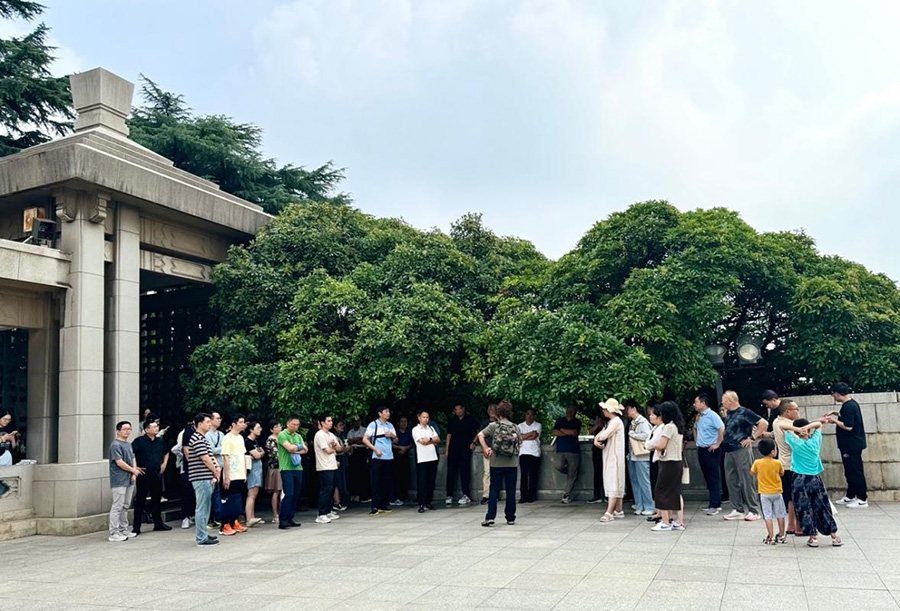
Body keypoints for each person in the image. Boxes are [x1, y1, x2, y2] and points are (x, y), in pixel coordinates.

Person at [783, 418, 842, 548]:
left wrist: (798, 430)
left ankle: (812, 537)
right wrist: (807, 427)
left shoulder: (795, 443)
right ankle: (834, 536)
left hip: (799, 479)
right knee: (822, 506)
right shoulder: (815, 442)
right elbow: (819, 424)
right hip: (815, 479)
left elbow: (782, 427)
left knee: (804, 508)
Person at [721, 390, 767, 521]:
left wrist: (752, 438)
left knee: (746, 478)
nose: (722, 403)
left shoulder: (744, 412)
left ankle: (753, 509)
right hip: (729, 449)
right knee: (731, 479)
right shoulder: (729, 414)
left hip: (741, 448)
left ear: (730, 401)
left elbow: (763, 423)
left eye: (724, 400)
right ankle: (737, 508)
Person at [479, 400, 522, 527]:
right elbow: (519, 443)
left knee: (493, 489)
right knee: (511, 491)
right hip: (512, 463)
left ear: (499, 412)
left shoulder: (494, 426)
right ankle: (510, 517)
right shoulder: (515, 427)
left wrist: (486, 448)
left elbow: (480, 435)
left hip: (496, 463)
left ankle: (490, 517)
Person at [826, 382, 868, 508]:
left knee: (855, 471)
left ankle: (862, 498)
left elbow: (848, 426)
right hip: (849, 444)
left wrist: (834, 421)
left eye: (833, 394)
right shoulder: (850, 404)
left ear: (837, 393)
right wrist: (835, 413)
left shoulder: (849, 406)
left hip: (851, 445)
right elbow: (847, 418)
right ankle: (851, 495)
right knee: (849, 471)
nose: (833, 397)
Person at [131, 419, 171, 535]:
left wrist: (164, 463)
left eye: (157, 426)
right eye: (153, 427)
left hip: (156, 473)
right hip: (144, 474)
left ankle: (158, 523)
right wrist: (135, 467)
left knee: (156, 499)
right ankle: (136, 526)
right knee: (140, 500)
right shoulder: (139, 441)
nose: (156, 428)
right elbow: (131, 453)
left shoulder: (160, 441)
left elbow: (166, 452)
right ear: (146, 429)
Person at [651, 401, 685, 532]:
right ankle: (677, 522)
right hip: (677, 462)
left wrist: (651, 445)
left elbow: (661, 445)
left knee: (661, 491)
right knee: (674, 492)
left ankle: (665, 522)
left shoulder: (668, 427)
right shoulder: (678, 426)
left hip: (668, 462)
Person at [187, 413, 220, 547]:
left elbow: (210, 456)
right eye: (207, 422)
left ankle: (203, 533)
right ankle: (201, 537)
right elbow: (205, 458)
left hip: (205, 476)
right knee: (202, 508)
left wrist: (216, 469)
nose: (210, 424)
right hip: (201, 477)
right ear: (199, 424)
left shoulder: (202, 438)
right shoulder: (197, 438)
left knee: (205, 507)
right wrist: (215, 470)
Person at [108, 421, 140, 542]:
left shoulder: (128, 444)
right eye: (125, 429)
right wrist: (133, 470)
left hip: (130, 479)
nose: (127, 431)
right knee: (117, 506)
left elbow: (133, 458)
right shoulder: (115, 445)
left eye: (129, 429)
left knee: (125, 506)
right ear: (118, 431)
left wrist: (134, 472)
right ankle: (113, 532)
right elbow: (119, 462)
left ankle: (123, 529)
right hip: (119, 479)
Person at [594, 399, 626, 522]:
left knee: (614, 482)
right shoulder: (612, 422)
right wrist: (596, 439)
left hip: (614, 457)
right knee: (616, 482)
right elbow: (601, 434)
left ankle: (609, 511)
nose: (603, 411)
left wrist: (597, 439)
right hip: (612, 456)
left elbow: (603, 435)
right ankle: (619, 510)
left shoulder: (615, 422)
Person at [692, 393, 724, 516]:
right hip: (702, 448)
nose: (694, 405)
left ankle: (714, 505)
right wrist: (697, 441)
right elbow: (695, 429)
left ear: (703, 403)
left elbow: (721, 428)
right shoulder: (699, 416)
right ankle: (714, 502)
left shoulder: (712, 415)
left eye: (696, 402)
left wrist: (717, 443)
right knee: (707, 476)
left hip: (711, 449)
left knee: (713, 476)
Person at [772, 399, 801, 535]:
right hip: (794, 464)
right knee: (797, 495)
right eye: (796, 409)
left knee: (789, 496)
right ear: (788, 412)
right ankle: (799, 526)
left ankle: (791, 524)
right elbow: (797, 444)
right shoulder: (788, 426)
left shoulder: (776, 422)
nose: (798, 412)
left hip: (784, 464)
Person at [751, 439, 787, 545]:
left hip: (764, 493)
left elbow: (751, 472)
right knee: (780, 514)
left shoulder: (757, 462)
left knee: (768, 515)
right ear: (772, 451)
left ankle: (770, 536)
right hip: (777, 491)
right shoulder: (777, 463)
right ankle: (781, 535)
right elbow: (782, 473)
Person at [363, 406, 397, 516]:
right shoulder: (374, 424)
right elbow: (365, 439)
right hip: (377, 457)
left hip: (389, 457)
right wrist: (375, 449)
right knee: (376, 482)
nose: (388, 413)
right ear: (380, 413)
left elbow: (396, 440)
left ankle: (384, 504)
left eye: (388, 411)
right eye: (386, 411)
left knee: (386, 481)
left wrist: (392, 435)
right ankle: (375, 506)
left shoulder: (390, 425)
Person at [624, 400, 654, 516]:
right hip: (633, 455)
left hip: (642, 456)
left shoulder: (642, 422)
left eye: (628, 409)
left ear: (634, 409)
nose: (626, 411)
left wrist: (633, 435)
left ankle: (649, 506)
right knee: (635, 481)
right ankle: (639, 505)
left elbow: (647, 435)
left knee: (644, 481)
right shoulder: (633, 422)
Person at [220, 415, 249, 535]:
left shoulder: (240, 438)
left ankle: (234, 521)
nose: (243, 424)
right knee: (229, 499)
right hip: (231, 473)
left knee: (237, 498)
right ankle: (225, 524)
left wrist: (245, 472)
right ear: (233, 424)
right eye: (240, 422)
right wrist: (226, 476)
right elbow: (226, 458)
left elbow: (243, 455)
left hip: (240, 473)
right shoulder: (227, 438)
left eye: (243, 422)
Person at [445, 404, 479, 506]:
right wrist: (447, 450)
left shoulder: (471, 419)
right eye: (456, 409)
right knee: (451, 472)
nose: (458, 411)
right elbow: (449, 435)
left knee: (465, 472)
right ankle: (449, 495)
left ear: (463, 409)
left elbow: (478, 431)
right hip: (453, 449)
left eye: (460, 409)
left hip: (465, 448)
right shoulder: (452, 420)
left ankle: (466, 495)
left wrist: (474, 442)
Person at [277, 415, 306, 529]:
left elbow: (306, 449)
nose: (295, 427)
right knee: (289, 494)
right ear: (288, 423)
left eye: (297, 425)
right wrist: (299, 447)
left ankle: (290, 517)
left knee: (296, 494)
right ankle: (283, 519)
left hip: (298, 468)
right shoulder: (282, 434)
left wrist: (296, 448)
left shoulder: (298, 436)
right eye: (293, 424)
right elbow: (289, 448)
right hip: (286, 468)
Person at [312, 413, 342, 524]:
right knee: (325, 489)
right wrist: (333, 449)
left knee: (331, 489)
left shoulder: (331, 435)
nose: (331, 423)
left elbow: (339, 448)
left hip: (332, 465)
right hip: (324, 466)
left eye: (331, 421)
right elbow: (327, 450)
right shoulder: (319, 435)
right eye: (328, 421)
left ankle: (328, 511)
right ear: (322, 423)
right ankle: (321, 514)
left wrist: (334, 446)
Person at [412, 411, 440, 512]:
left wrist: (429, 439)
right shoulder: (415, 429)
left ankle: (429, 501)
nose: (425, 419)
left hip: (433, 457)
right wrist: (432, 441)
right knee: (422, 481)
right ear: (419, 418)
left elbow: (438, 439)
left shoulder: (431, 428)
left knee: (431, 481)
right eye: (423, 417)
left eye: (427, 417)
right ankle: (421, 503)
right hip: (422, 458)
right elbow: (422, 441)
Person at [553, 405, 582, 504]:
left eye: (572, 410)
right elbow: (556, 432)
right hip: (561, 449)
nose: (570, 411)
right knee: (558, 465)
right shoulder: (559, 421)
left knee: (571, 475)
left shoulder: (577, 422)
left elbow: (574, 433)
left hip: (573, 450)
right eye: (568, 409)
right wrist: (567, 432)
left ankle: (567, 495)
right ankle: (569, 471)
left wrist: (562, 430)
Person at [172, 419, 195, 529]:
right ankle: (186, 517)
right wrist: (184, 457)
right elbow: (176, 448)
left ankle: (192, 515)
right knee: (187, 493)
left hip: (195, 469)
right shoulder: (185, 433)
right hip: (186, 468)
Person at [204, 411, 224, 529]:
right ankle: (210, 519)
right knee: (212, 494)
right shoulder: (207, 435)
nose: (219, 420)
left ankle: (217, 517)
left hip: (221, 465)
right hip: (211, 467)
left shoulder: (221, 434)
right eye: (217, 418)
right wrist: (223, 448)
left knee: (218, 493)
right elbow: (211, 450)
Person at [517, 409, 542, 503]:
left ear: (534, 416)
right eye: (528, 414)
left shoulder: (538, 425)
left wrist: (524, 436)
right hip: (523, 452)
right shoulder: (520, 426)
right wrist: (530, 433)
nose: (529, 416)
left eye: (531, 414)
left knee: (533, 475)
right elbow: (519, 437)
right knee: (524, 475)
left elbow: (534, 436)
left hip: (534, 453)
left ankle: (532, 495)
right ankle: (523, 496)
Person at [244, 420, 266, 527]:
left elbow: (262, 452)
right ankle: (249, 518)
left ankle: (252, 516)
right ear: (251, 429)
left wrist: (259, 454)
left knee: (254, 494)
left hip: (257, 469)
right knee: (252, 494)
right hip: (252, 470)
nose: (260, 430)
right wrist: (259, 454)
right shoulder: (248, 442)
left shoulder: (255, 441)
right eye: (257, 428)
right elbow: (257, 455)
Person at [645, 405, 663, 523]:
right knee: (654, 483)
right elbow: (648, 443)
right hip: (653, 456)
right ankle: (658, 511)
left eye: (652, 414)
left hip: (659, 459)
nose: (650, 416)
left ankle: (661, 512)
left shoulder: (662, 428)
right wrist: (648, 444)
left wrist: (649, 444)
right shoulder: (654, 428)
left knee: (658, 484)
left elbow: (652, 443)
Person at [347, 418, 370, 503]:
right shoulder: (350, 431)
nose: (356, 423)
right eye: (354, 421)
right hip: (353, 452)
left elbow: (364, 441)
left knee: (363, 473)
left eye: (358, 421)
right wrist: (357, 439)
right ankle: (355, 494)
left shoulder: (364, 430)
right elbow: (349, 442)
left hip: (362, 452)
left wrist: (355, 440)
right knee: (354, 474)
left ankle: (364, 495)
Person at [478, 405, 498, 505]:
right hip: (487, 450)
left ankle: (495, 494)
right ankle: (486, 495)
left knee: (497, 473)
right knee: (487, 473)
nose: (491, 411)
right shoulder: (485, 423)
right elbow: (480, 436)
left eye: (493, 409)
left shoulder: (500, 422)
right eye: (489, 409)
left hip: (497, 451)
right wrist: (484, 449)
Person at [392, 415, 413, 506]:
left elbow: (411, 443)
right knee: (397, 476)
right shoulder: (395, 433)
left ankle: (405, 495)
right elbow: (391, 444)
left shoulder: (409, 433)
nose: (404, 423)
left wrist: (405, 448)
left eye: (405, 422)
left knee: (406, 475)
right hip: (396, 456)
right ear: (398, 423)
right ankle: (397, 495)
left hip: (406, 455)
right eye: (402, 421)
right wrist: (400, 448)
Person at [264, 420, 283, 523]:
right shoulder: (271, 440)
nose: (279, 428)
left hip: (283, 466)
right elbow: (275, 454)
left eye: (279, 426)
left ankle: (282, 512)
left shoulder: (282, 437)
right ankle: (275, 514)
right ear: (271, 429)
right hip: (275, 467)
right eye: (276, 426)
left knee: (282, 491)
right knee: (276, 490)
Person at [587, 411, 605, 505]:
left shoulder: (611, 419)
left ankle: (607, 494)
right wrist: (597, 425)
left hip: (607, 446)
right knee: (597, 471)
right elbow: (590, 431)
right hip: (597, 448)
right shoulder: (594, 418)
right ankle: (597, 494)